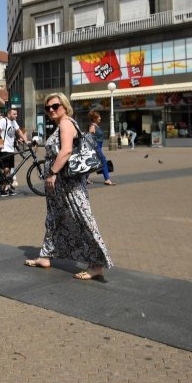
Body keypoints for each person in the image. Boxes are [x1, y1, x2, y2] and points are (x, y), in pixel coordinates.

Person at [24, 93, 113, 281]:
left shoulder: (65, 123)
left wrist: (53, 172)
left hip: (68, 182)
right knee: (54, 218)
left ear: (64, 106)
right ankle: (45, 256)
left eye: (55, 106)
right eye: (47, 108)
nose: (50, 110)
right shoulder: (61, 124)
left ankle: (96, 264)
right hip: (60, 184)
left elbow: (66, 151)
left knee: (82, 217)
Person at [0, 108, 28, 196]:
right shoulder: (3, 121)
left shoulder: (14, 122)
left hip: (11, 149)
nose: (16, 115)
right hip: (4, 148)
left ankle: (7, 188)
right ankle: (3, 189)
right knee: (6, 169)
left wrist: (26, 141)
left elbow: (19, 131)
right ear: (9, 114)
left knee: (9, 170)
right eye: (14, 114)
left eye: (16, 114)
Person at [87, 111, 115, 186]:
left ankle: (85, 179)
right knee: (103, 160)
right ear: (94, 118)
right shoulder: (92, 126)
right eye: (98, 117)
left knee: (92, 164)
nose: (100, 118)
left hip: (99, 146)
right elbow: (89, 138)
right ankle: (107, 179)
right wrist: (93, 148)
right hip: (96, 146)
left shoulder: (96, 126)